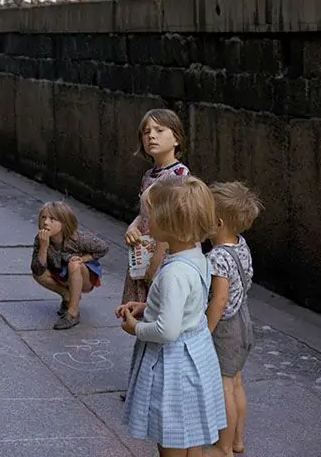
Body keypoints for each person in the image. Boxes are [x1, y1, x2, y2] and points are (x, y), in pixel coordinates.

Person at [117, 176, 226, 457]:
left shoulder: (175, 273)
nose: (145, 220)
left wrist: (136, 327)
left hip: (173, 363)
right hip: (195, 354)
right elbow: (187, 305)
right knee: (190, 434)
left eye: (150, 215)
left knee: (171, 439)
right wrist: (146, 307)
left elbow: (167, 330)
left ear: (172, 224)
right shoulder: (195, 256)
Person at [205, 182, 262, 457]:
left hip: (225, 329)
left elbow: (218, 300)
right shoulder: (241, 245)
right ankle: (238, 440)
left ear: (216, 223)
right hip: (244, 321)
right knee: (236, 382)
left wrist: (206, 330)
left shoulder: (217, 257)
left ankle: (223, 447)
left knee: (224, 386)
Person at [122, 109, 190, 304]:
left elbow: (173, 223)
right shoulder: (148, 175)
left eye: (159, 130)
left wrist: (157, 260)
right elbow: (144, 213)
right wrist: (132, 227)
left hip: (163, 253)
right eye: (146, 131)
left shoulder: (179, 175)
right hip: (143, 250)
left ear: (176, 138)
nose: (151, 135)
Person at [30, 200, 109, 330]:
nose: (46, 222)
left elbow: (103, 248)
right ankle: (67, 296)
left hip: (84, 278)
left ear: (63, 223)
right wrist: (44, 247)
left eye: (52, 219)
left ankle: (73, 312)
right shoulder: (41, 239)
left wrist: (84, 258)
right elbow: (37, 270)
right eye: (43, 217)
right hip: (61, 274)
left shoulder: (78, 238)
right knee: (39, 274)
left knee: (74, 264)